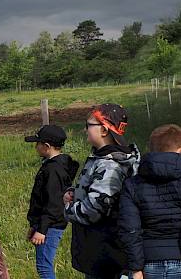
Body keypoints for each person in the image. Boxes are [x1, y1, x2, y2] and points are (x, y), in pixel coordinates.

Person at [118, 124, 181, 279]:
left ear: (151, 150)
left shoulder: (132, 184)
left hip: (147, 264)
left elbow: (129, 229)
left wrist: (135, 269)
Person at [64, 104, 140, 279]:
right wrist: (75, 192)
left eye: (88, 125)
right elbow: (95, 189)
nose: (85, 130)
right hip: (99, 252)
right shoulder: (102, 158)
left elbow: (94, 210)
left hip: (107, 253)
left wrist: (68, 206)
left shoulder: (110, 165)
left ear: (104, 130)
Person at [24, 125, 79, 279]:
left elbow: (54, 204)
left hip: (50, 226)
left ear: (47, 146)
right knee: (43, 264)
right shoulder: (56, 165)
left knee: (44, 267)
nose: (36, 147)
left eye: (38, 144)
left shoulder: (53, 170)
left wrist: (41, 230)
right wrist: (34, 225)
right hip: (46, 224)